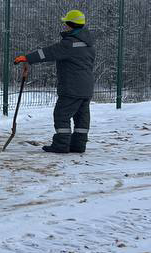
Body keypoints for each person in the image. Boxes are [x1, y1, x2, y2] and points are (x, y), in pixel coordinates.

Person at [14, 9, 95, 153]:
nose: (65, 26)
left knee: (61, 115)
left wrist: (27, 58)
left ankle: (61, 145)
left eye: (66, 23)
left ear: (70, 24)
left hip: (72, 88)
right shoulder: (89, 44)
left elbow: (48, 52)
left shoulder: (69, 44)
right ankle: (79, 145)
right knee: (81, 117)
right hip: (87, 87)